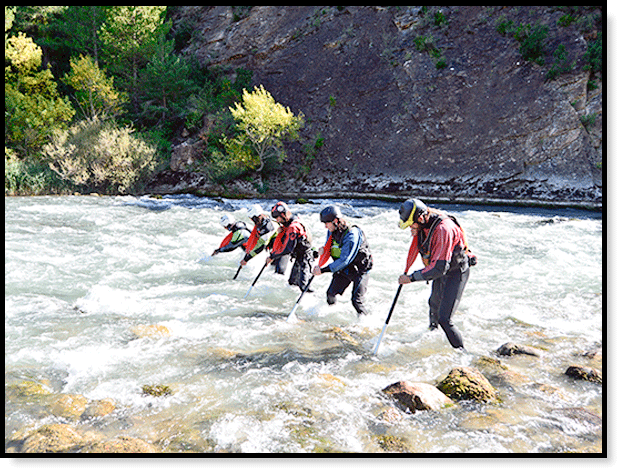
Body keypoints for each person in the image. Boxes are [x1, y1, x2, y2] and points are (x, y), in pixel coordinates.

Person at [397, 198, 476, 349]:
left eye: (411, 225)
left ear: (420, 218)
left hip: (456, 271)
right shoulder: (424, 222)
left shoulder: (443, 229)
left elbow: (439, 268)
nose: (410, 228)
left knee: (444, 319)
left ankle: (462, 354)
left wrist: (411, 278)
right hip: (441, 267)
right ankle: (432, 338)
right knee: (433, 305)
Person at [312, 204, 373, 316]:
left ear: (336, 221)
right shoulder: (332, 230)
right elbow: (330, 246)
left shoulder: (351, 234)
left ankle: (367, 324)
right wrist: (323, 250)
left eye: (327, 223)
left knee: (356, 301)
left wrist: (323, 270)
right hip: (345, 269)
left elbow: (345, 259)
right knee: (330, 294)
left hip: (360, 270)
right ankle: (332, 316)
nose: (325, 226)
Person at [266, 201, 315, 292]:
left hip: (305, 257)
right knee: (292, 282)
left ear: (284, 215)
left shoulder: (293, 227)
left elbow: (287, 249)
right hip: (298, 257)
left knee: (304, 286)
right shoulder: (287, 224)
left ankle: (314, 301)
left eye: (278, 217)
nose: (277, 220)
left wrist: (272, 256)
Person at [240, 204, 287, 273]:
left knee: (278, 273)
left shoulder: (267, 227)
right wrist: (248, 251)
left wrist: (246, 259)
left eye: (252, 218)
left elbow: (261, 247)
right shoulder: (261, 222)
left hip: (283, 248)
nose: (251, 220)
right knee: (272, 269)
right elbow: (254, 238)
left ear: (257, 216)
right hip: (275, 248)